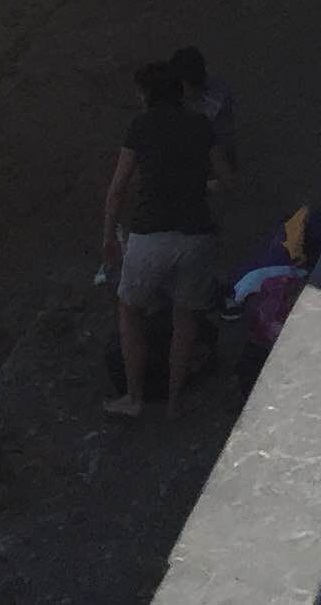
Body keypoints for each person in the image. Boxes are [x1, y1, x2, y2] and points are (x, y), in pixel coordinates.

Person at [97, 50, 239, 416]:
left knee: (129, 310)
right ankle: (175, 402)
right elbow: (227, 181)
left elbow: (117, 189)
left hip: (151, 235)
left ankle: (134, 397)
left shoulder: (140, 127)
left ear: (147, 96)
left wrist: (109, 237)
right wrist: (197, 183)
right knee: (185, 317)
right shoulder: (201, 125)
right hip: (197, 236)